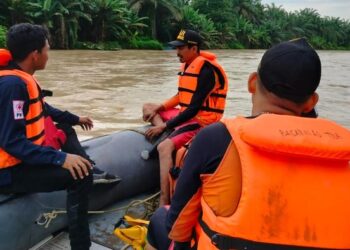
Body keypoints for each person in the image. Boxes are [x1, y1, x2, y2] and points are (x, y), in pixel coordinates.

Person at [145, 38, 350, 250]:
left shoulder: (215, 139)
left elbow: (177, 227)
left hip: (200, 123)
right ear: (311, 102)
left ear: (252, 83)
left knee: (161, 218)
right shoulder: (344, 158)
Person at [1, 23, 92, 249]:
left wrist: (75, 118)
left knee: (75, 161)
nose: (48, 55)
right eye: (47, 49)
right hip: (7, 171)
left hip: (19, 161)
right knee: (82, 174)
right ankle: (81, 245)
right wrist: (60, 158)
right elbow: (11, 142)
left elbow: (44, 108)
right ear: (35, 55)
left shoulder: (19, 78)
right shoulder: (13, 85)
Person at [142, 29, 228, 206]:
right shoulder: (188, 65)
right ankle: (172, 131)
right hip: (185, 115)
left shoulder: (206, 71)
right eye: (176, 48)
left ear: (193, 48)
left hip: (202, 120)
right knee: (148, 107)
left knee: (164, 148)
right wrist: (159, 107)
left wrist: (163, 126)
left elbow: (194, 109)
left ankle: (164, 200)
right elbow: (181, 97)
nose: (177, 53)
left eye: (181, 48)